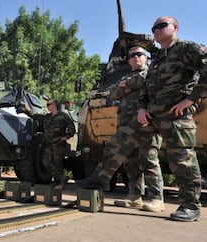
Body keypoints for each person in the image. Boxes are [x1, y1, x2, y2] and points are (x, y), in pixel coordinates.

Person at [77, 46, 165, 212]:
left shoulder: (153, 72)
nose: (135, 57)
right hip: (127, 123)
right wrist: (128, 85)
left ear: (146, 58)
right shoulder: (126, 76)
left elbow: (142, 81)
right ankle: (134, 196)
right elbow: (113, 93)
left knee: (149, 161)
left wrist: (127, 85)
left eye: (140, 54)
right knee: (131, 164)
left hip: (147, 125)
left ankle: (156, 199)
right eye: (132, 55)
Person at [137, 16, 207, 222]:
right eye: (153, 28)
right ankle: (150, 197)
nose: (156, 30)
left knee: (182, 159)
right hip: (152, 116)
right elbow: (146, 88)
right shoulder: (157, 59)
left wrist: (191, 99)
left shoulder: (187, 48)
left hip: (176, 114)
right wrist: (141, 108)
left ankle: (190, 206)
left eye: (161, 26)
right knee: (140, 153)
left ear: (175, 27)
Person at [33, 99, 76, 190]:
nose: (47, 106)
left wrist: (66, 136)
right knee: (46, 162)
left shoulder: (63, 116)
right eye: (47, 105)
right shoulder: (47, 117)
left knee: (58, 164)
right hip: (48, 143)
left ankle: (59, 183)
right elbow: (34, 116)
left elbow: (71, 127)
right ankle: (62, 178)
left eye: (49, 104)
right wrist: (25, 110)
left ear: (54, 105)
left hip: (58, 144)